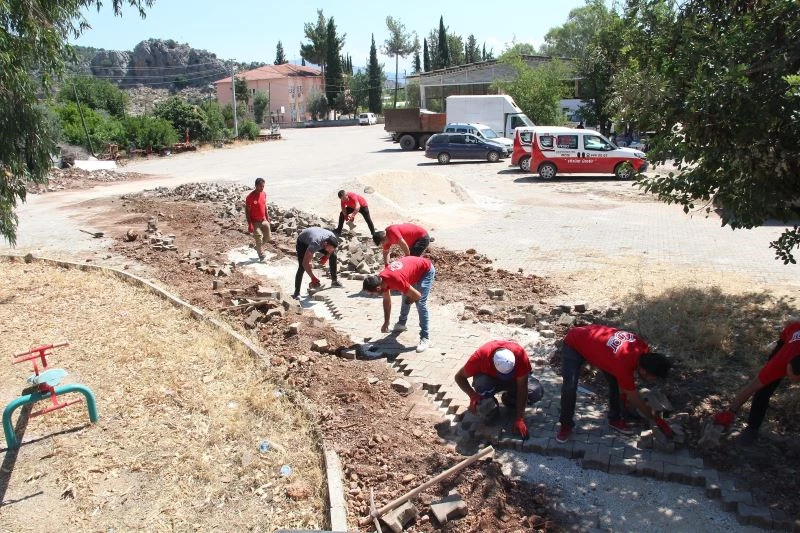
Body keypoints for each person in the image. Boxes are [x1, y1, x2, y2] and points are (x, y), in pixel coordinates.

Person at [556, 324, 673, 443]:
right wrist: (654, 418)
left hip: (599, 348)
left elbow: (625, 388)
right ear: (643, 370)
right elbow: (633, 397)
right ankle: (566, 425)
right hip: (574, 343)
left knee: (616, 383)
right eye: (652, 378)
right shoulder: (624, 363)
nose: (651, 381)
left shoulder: (643, 349)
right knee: (569, 387)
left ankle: (615, 419)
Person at [713, 319, 800, 444]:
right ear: (787, 366)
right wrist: (731, 411)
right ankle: (752, 428)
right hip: (790, 335)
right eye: (791, 377)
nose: (791, 381)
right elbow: (750, 388)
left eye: (796, 380)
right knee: (763, 391)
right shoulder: (778, 364)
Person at [455, 340, 543, 439]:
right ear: (492, 361)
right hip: (490, 381)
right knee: (481, 383)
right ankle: (492, 409)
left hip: (513, 381)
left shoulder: (520, 355)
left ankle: (509, 399)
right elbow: (459, 377)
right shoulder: (481, 357)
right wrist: (472, 395)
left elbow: (523, 388)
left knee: (535, 391)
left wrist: (520, 418)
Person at [362, 256, 435, 353]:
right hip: (412, 270)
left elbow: (418, 296)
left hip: (426, 270)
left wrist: (411, 299)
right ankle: (401, 324)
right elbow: (387, 301)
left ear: (378, 289)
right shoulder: (381, 280)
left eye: (372, 293)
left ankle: (425, 338)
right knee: (406, 296)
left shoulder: (395, 280)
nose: (372, 296)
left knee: (420, 303)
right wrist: (386, 322)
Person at [293, 227, 342, 299]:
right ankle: (296, 293)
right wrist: (312, 277)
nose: (329, 251)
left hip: (317, 235)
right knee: (302, 267)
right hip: (303, 241)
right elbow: (305, 263)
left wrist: (326, 257)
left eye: (331, 249)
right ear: (325, 244)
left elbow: (331, 250)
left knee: (333, 256)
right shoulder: (315, 243)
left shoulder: (332, 238)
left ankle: (334, 281)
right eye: (329, 249)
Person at [244, 177, 271, 261]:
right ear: (255, 186)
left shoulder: (264, 194)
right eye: (260, 186)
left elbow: (264, 206)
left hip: (264, 220)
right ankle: (261, 254)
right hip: (255, 222)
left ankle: (257, 247)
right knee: (258, 238)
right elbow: (247, 211)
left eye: (263, 186)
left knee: (268, 237)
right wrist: (250, 224)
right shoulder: (250, 197)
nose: (262, 188)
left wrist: (267, 217)